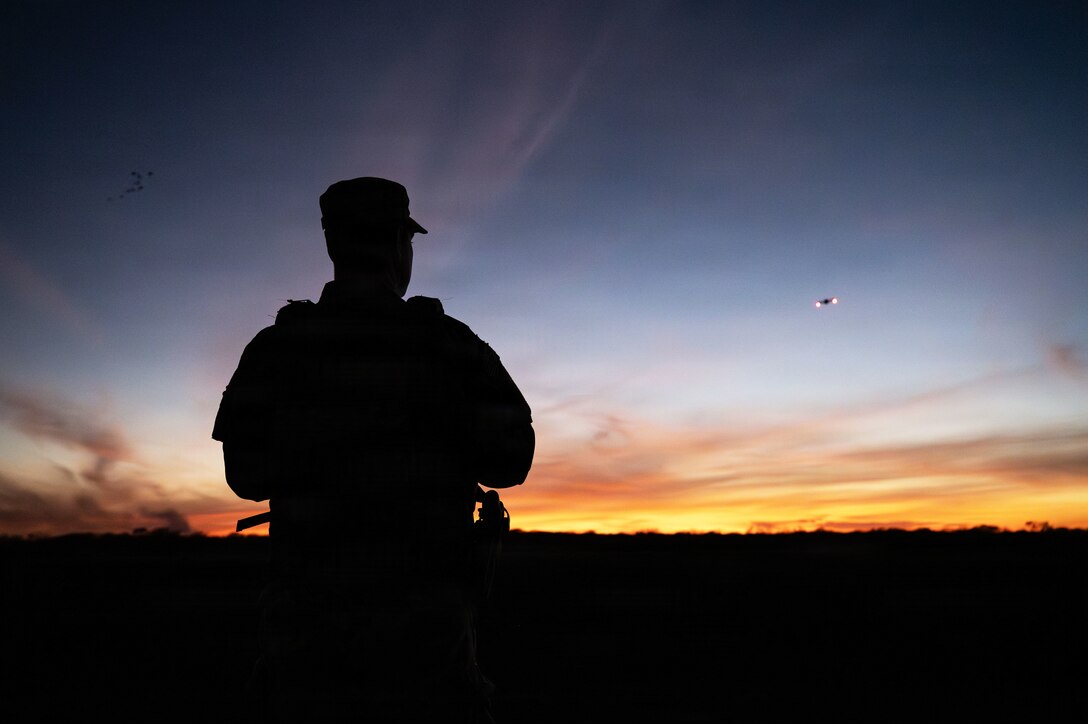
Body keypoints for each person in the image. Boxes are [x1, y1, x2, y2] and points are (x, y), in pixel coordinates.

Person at [212, 177, 534, 722]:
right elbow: (511, 462)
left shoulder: (276, 348)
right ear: (399, 246)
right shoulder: (450, 345)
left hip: (308, 630)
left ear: (334, 246)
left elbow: (245, 476)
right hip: (425, 633)